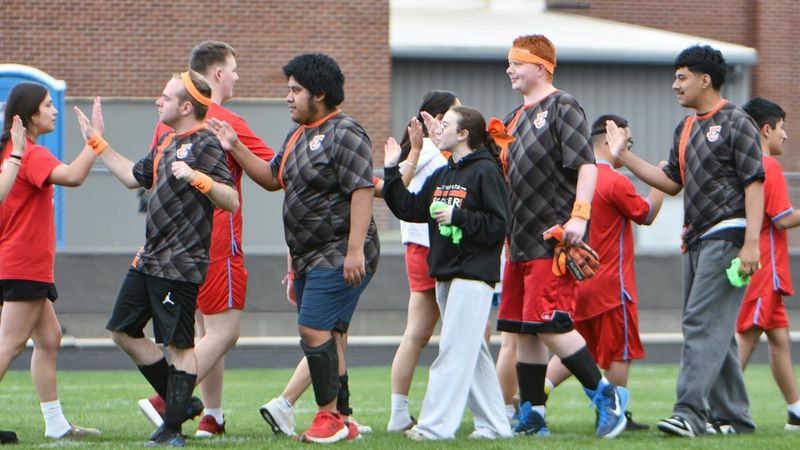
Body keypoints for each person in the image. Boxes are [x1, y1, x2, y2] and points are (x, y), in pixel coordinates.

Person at [208, 53, 379, 444]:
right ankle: (345, 419)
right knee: (331, 333)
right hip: (306, 257)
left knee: (313, 329)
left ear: (319, 94)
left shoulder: (346, 131)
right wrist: (233, 146)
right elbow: (272, 179)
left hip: (340, 251)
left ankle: (329, 417)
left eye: (295, 90)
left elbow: (362, 190)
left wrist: (354, 250)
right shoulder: (297, 135)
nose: (288, 97)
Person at [75, 70, 239, 447]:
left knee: (179, 346)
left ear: (185, 106)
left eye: (164, 97)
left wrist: (198, 177)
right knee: (122, 329)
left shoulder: (205, 145)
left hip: (180, 264)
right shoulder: (166, 141)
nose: (157, 101)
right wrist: (97, 144)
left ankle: (172, 429)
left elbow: (230, 199)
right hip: (149, 258)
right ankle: (181, 402)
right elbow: (133, 176)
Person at [609, 45, 763, 437]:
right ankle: (734, 417)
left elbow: (754, 184)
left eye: (681, 77)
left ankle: (690, 413)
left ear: (704, 79)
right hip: (693, 240)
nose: (674, 85)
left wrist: (751, 243)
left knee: (699, 322)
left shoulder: (736, 121)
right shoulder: (686, 128)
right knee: (714, 328)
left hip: (726, 237)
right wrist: (624, 157)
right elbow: (672, 183)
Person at [136, 40, 275, 439]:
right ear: (217, 75)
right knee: (225, 333)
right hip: (217, 241)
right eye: (233, 69)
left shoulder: (168, 122)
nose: (236, 77)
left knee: (205, 331)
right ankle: (168, 399)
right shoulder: (227, 121)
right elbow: (274, 170)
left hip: (176, 246)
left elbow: (149, 176)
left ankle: (212, 415)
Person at [495, 34, 628, 439]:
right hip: (518, 240)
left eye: (517, 63)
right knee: (524, 327)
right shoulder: (515, 117)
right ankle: (533, 414)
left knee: (550, 322)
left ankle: (606, 394)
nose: (509, 69)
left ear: (541, 67)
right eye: (509, 62)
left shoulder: (562, 105)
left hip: (550, 236)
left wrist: (580, 217)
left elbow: (586, 166)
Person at [383, 105, 512, 440]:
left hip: (473, 274)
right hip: (445, 272)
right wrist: (391, 168)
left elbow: (499, 226)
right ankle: (496, 427)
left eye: (446, 124)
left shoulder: (486, 171)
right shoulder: (444, 172)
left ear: (464, 133)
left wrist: (458, 219)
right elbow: (408, 208)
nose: (438, 129)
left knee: (453, 351)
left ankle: (434, 427)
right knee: (475, 356)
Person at [544, 114, 664, 431]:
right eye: (628, 142)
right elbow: (647, 214)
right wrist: (661, 180)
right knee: (619, 351)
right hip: (612, 288)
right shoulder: (614, 181)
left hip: (578, 286)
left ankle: (534, 399)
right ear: (613, 140)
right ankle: (616, 414)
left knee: (575, 349)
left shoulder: (575, 181)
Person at [0, 82, 101, 441]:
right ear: (29, 115)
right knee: (10, 344)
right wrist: (96, 140)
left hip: (22, 264)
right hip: (24, 264)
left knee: (49, 339)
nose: (54, 110)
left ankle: (56, 424)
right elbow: (73, 176)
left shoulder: (12, 153)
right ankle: (56, 424)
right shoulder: (32, 154)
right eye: (47, 106)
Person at [734, 97, 800, 433]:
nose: (785, 136)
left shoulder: (741, 162)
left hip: (758, 267)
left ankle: (796, 412)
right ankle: (724, 410)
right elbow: (784, 219)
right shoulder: (767, 165)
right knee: (747, 336)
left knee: (779, 340)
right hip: (764, 268)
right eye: (782, 128)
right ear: (766, 129)